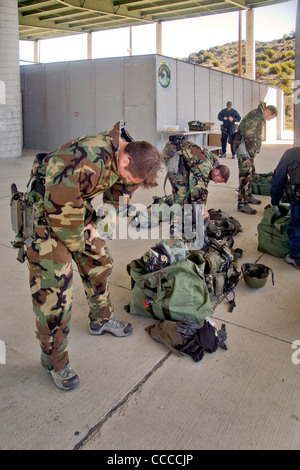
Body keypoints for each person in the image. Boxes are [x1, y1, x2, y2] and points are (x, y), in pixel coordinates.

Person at [26, 121, 161, 391]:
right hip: (47, 215)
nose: (130, 184)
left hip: (75, 206)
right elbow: (60, 211)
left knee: (99, 261)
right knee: (55, 292)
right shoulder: (83, 158)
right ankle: (55, 361)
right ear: (124, 160)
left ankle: (101, 319)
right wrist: (78, 244)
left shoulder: (133, 159)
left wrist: (97, 225)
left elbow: (120, 194)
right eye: (131, 178)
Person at [162, 136, 230, 221]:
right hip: (172, 152)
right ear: (216, 172)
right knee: (181, 190)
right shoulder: (205, 166)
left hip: (182, 155)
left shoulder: (214, 164)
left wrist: (203, 206)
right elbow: (196, 188)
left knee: (191, 193)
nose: (215, 182)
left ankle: (185, 218)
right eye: (217, 180)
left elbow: (203, 186)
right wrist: (201, 210)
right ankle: (176, 224)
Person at [234, 103, 277, 215]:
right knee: (245, 175)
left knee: (251, 172)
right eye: (269, 118)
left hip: (248, 150)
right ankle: (242, 204)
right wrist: (252, 151)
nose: (268, 120)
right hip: (244, 149)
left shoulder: (259, 116)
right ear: (267, 112)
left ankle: (248, 196)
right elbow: (250, 137)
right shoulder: (256, 117)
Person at [270, 147, 300, 269]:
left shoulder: (292, 153)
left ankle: (297, 258)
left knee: (298, 225)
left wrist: (275, 200)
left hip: (298, 200)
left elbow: (278, 178)